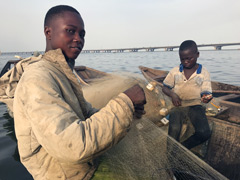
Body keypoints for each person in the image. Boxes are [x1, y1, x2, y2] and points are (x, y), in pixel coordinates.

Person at [12, 5, 146, 180]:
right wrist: (125, 101)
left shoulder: (61, 72)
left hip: (83, 166)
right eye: (70, 31)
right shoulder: (37, 78)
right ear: (48, 32)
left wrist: (127, 109)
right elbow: (72, 146)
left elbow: (86, 113)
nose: (78, 39)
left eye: (82, 34)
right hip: (66, 174)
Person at [162, 40, 212, 149]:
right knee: (174, 130)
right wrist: (173, 95)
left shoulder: (203, 72)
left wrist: (206, 98)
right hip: (178, 105)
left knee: (204, 133)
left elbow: (206, 91)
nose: (186, 62)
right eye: (183, 59)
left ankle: (182, 148)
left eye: (189, 58)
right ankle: (170, 156)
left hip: (195, 105)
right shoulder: (175, 71)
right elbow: (165, 87)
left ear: (197, 55)